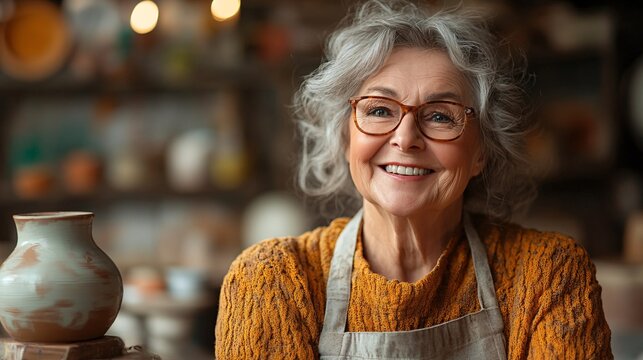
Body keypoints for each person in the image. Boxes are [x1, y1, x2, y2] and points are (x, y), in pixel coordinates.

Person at [215, 0, 613, 358]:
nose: (405, 138)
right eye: (379, 110)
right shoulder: (271, 282)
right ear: (344, 135)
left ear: (481, 152)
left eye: (440, 115)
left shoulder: (549, 277)